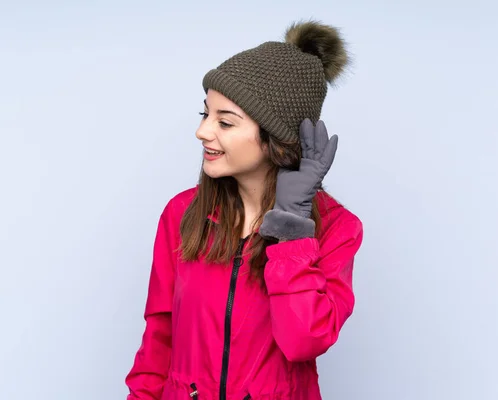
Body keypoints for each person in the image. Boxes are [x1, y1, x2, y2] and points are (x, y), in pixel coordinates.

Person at [125, 19, 364, 400]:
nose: (203, 132)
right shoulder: (182, 213)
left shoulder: (337, 228)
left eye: (225, 122)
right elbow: (159, 336)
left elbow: (303, 340)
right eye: (205, 115)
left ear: (276, 139)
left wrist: (292, 228)